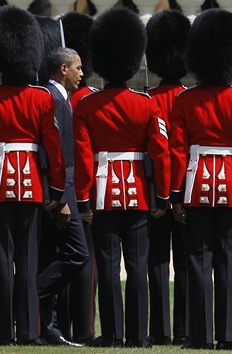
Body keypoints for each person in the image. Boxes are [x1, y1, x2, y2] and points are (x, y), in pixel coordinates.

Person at [168, 9, 232, 351]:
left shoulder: (186, 100)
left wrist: (176, 195)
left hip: (195, 188)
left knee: (198, 261)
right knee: (229, 261)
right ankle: (228, 336)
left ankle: (199, 336)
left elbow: (177, 152)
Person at [73, 7, 170, 348]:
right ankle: (138, 335)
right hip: (140, 195)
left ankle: (113, 333)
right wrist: (162, 195)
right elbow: (160, 152)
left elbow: (84, 157)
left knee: (110, 267)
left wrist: (83, 198)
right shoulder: (146, 104)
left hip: (102, 194)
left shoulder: (87, 106)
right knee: (138, 267)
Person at [0, 6, 65, 346]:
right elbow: (53, 147)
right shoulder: (40, 98)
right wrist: (55, 187)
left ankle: (2, 332)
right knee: (27, 261)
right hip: (31, 186)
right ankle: (28, 331)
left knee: (0, 260)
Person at [144, 9, 190, 347]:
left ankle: (160, 329)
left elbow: (160, 153)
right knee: (187, 263)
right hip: (187, 192)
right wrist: (177, 196)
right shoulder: (191, 98)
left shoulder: (148, 100)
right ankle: (186, 327)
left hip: (155, 193)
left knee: (158, 263)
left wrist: (163, 196)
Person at [38, 47, 89, 347]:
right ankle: (27, 299)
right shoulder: (54, 99)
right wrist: (62, 197)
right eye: (78, 68)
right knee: (78, 253)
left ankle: (48, 325)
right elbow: (55, 155)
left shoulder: (62, 98)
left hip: (62, 189)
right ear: (63, 69)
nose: (82, 74)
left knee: (53, 256)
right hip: (61, 191)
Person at [54, 12, 98, 345]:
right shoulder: (72, 101)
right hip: (75, 193)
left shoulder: (79, 100)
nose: (82, 74)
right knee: (80, 260)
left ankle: (77, 328)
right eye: (78, 68)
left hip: (78, 192)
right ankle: (76, 328)